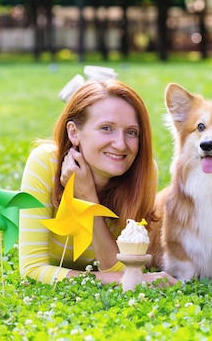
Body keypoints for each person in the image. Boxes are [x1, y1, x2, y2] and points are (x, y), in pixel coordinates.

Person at [19, 79, 176, 287]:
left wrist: (88, 199)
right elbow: (32, 270)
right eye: (106, 128)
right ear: (74, 132)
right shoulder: (45, 163)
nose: (121, 144)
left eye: (131, 132)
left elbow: (124, 267)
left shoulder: (143, 174)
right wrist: (134, 280)